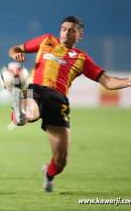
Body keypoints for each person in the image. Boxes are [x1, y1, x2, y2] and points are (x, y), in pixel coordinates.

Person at [8, 16, 131, 192]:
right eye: (63, 29)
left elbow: (107, 82)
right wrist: (16, 53)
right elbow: (16, 48)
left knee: (61, 161)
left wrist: (128, 81)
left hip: (58, 100)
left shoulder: (82, 58)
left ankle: (49, 174)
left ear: (79, 35)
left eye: (71, 30)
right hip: (36, 89)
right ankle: (20, 115)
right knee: (30, 112)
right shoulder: (46, 40)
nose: (66, 32)